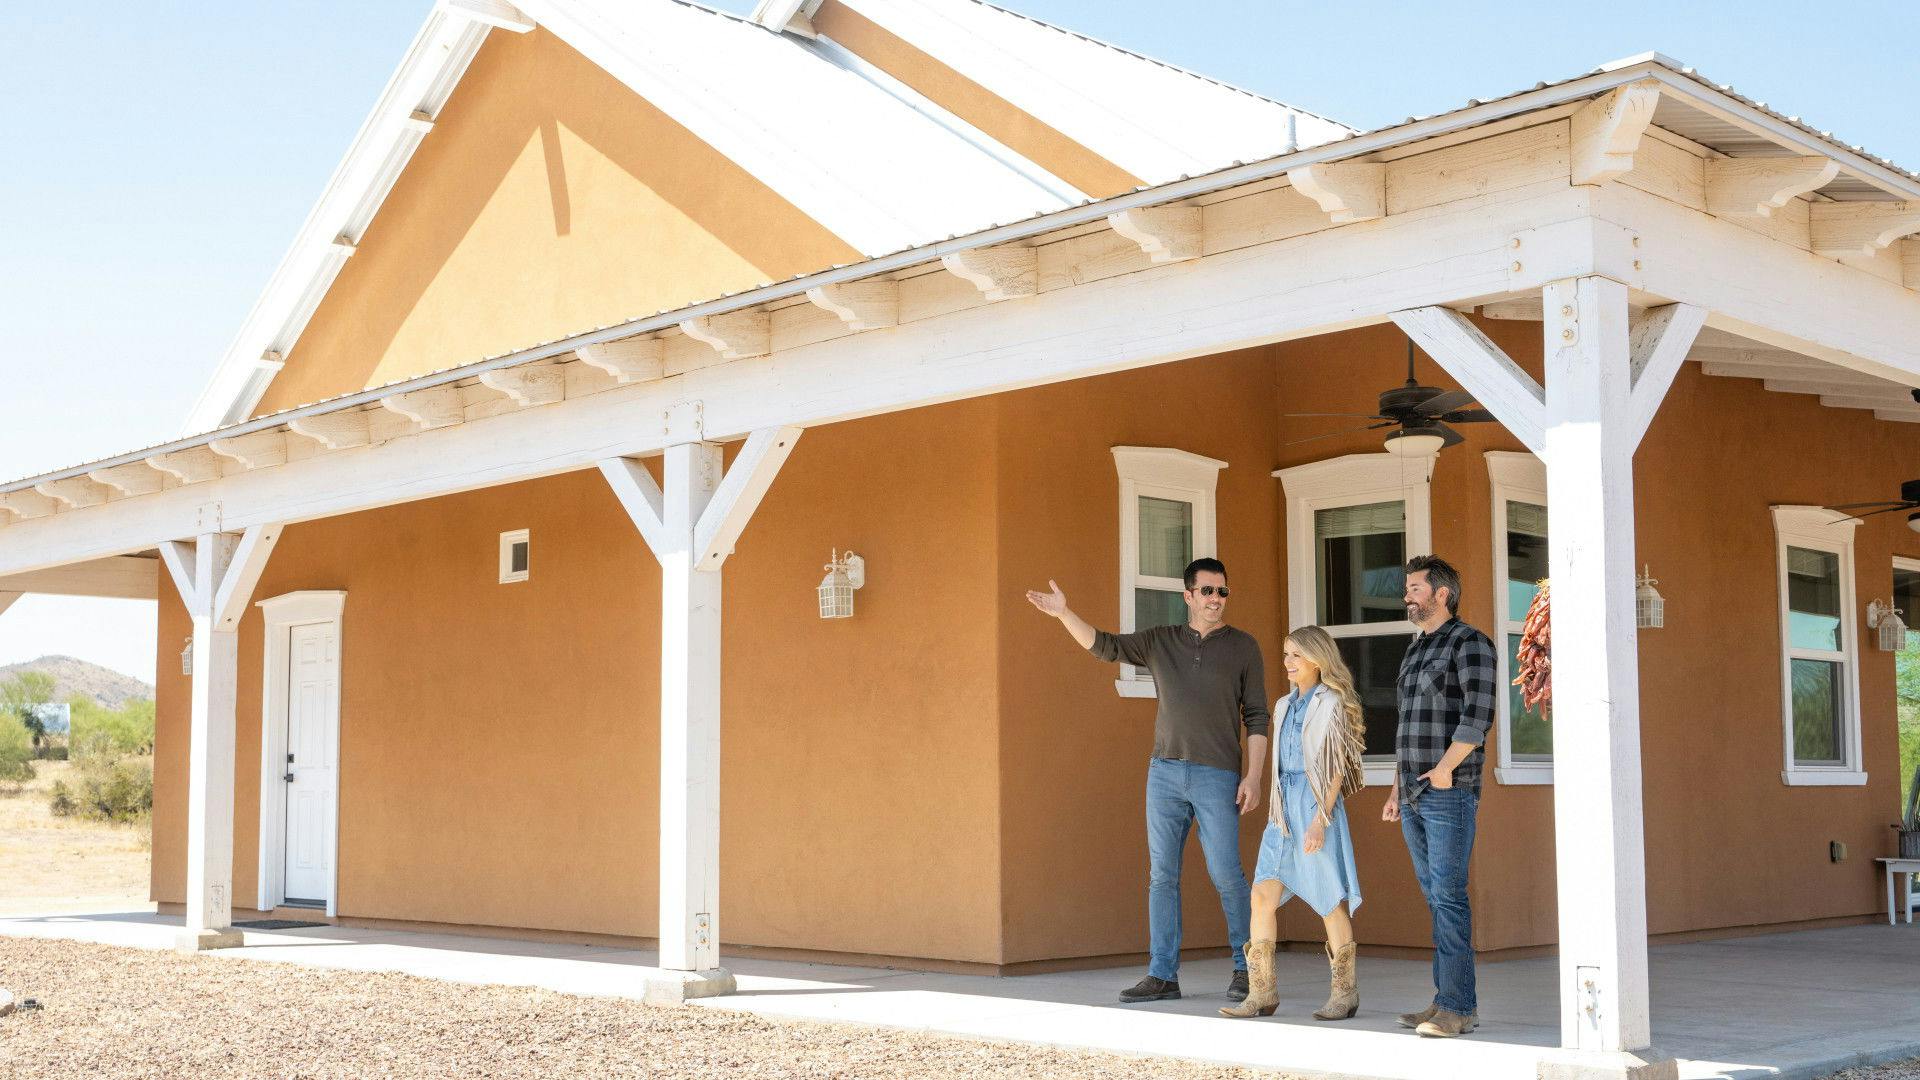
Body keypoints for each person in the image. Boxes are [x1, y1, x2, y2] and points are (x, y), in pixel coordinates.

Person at [1026, 558, 1270, 1004]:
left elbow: (1256, 717)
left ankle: (1247, 968)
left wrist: (1253, 776)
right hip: (1165, 774)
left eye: (1222, 591)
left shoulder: (1243, 647)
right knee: (1162, 876)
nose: (1216, 599)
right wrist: (1064, 613)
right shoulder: (1161, 640)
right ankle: (1162, 975)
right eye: (1207, 591)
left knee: (1227, 874)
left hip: (1218, 775)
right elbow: (1106, 647)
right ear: (1188, 596)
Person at [1220, 625, 1366, 1021]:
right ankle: (1261, 993)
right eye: (1286, 654)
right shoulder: (1283, 705)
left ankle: (1345, 993)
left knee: (1328, 899)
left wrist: (1320, 819)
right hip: (1282, 808)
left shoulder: (1331, 702)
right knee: (1261, 895)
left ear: (1317, 660)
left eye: (1296, 655)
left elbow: (1335, 768)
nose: (1288, 662)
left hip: (1314, 805)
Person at [1382, 554, 1496, 1039]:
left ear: (1441, 594)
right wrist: (1395, 790)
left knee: (1448, 896)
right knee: (1436, 898)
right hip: (1412, 792)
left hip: (1449, 791)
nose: (1406, 595)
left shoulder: (1471, 643)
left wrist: (1446, 769)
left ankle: (1457, 1007)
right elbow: (1406, 727)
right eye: (1407, 588)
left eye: (1415, 588)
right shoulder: (1415, 650)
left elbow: (1478, 715)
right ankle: (1448, 998)